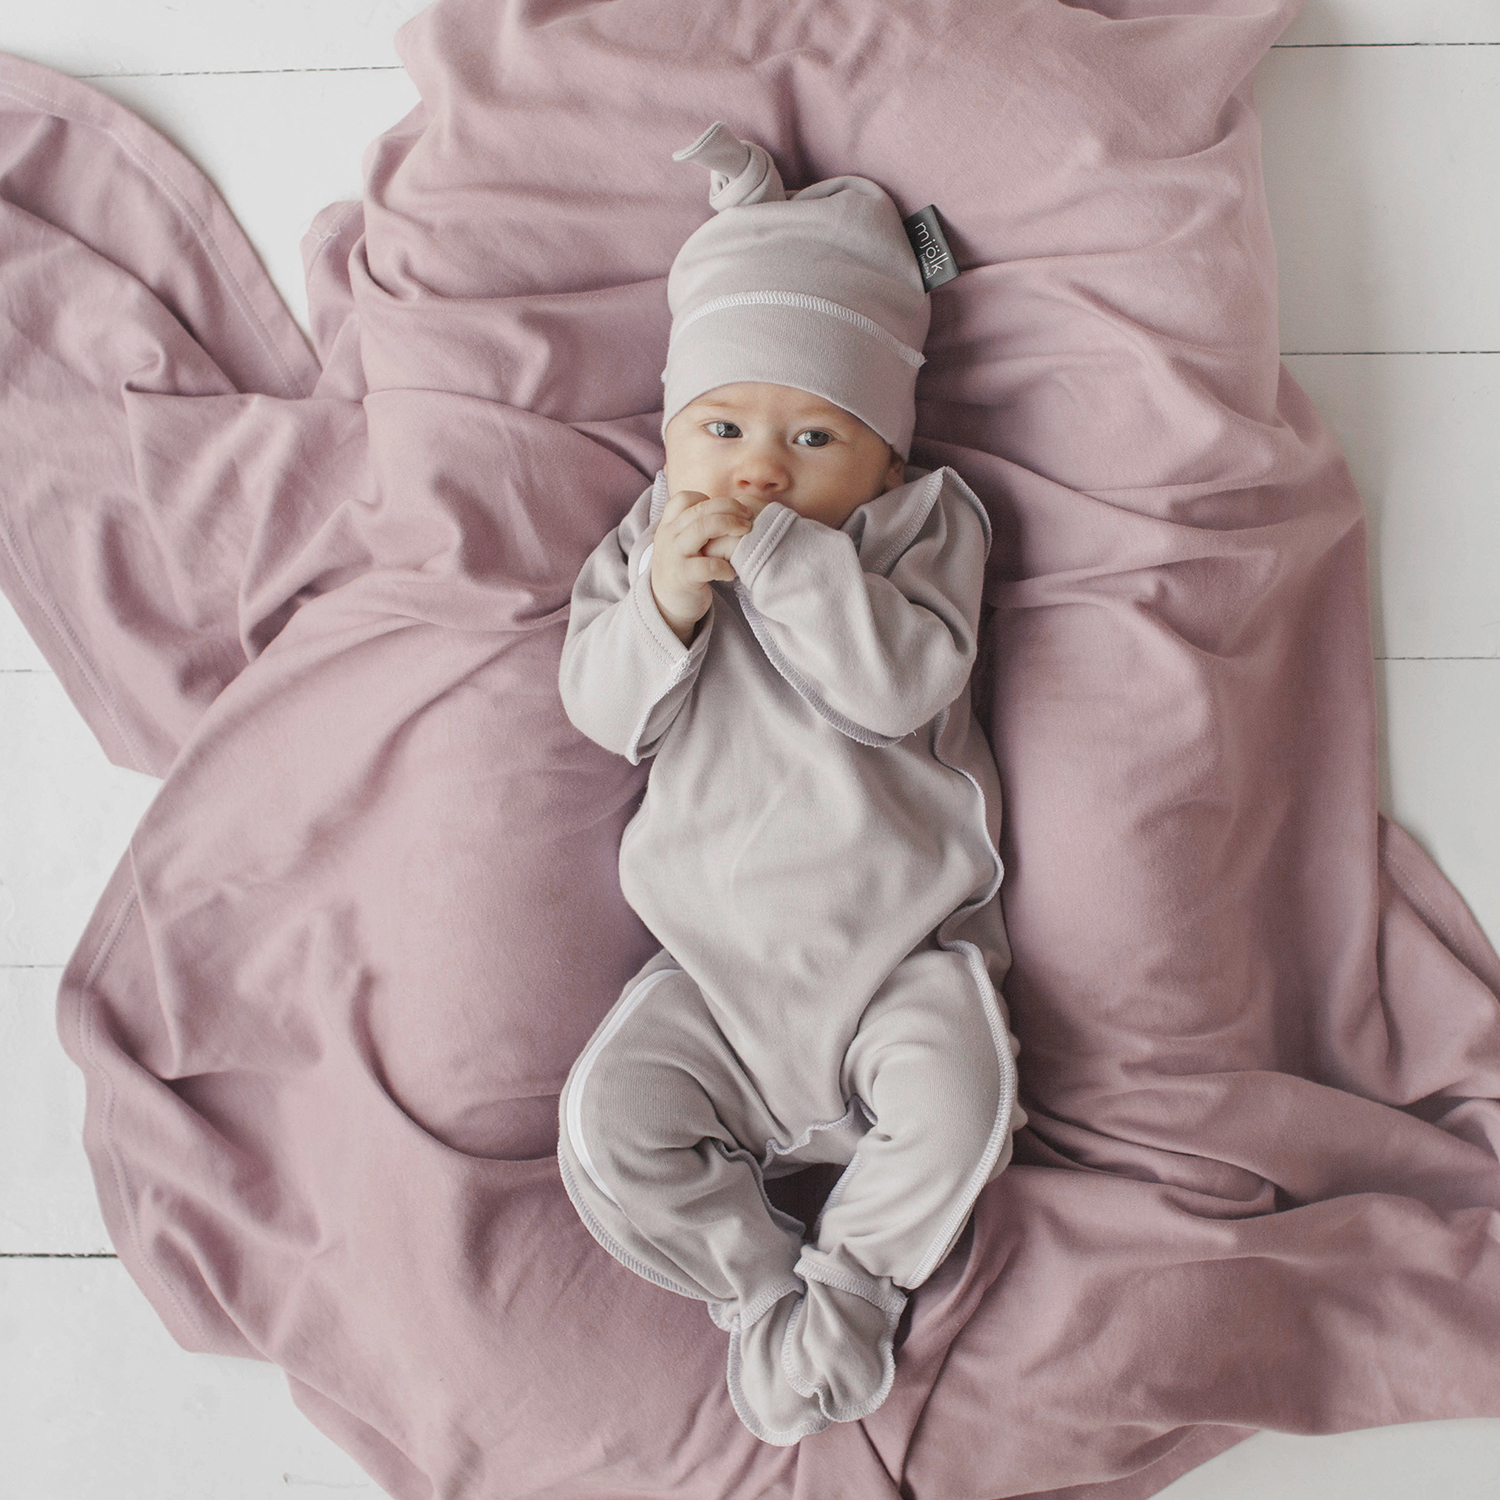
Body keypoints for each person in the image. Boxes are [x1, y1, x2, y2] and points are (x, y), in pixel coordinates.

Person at [555, 122, 1024, 1445]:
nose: (758, 468)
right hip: (711, 971)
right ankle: (764, 1292)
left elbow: (897, 688)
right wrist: (665, 603)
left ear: (884, 458)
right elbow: (602, 712)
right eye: (722, 427)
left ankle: (856, 1286)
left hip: (899, 955)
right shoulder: (653, 542)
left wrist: (786, 562)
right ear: (669, 435)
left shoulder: (924, 531)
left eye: (815, 436)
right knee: (610, 1120)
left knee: (961, 1094)